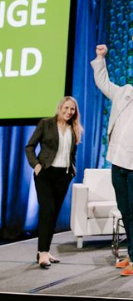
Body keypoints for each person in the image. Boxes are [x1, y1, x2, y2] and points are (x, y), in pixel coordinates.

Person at [91, 44, 133, 276]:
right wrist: (100, 58)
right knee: (125, 210)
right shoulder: (125, 93)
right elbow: (103, 84)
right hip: (117, 163)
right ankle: (131, 253)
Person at [25, 96, 83, 268]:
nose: (68, 111)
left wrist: (73, 169)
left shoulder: (74, 128)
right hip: (45, 173)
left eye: (72, 109)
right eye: (66, 108)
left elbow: (71, 153)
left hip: (63, 176)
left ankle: (45, 250)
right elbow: (29, 147)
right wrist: (35, 165)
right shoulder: (46, 124)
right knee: (47, 210)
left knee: (54, 213)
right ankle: (42, 253)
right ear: (60, 108)